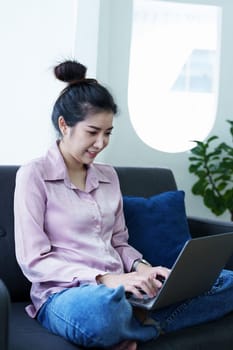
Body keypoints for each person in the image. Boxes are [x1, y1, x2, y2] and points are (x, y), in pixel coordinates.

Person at [14, 59, 233, 350]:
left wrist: (143, 269)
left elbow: (119, 242)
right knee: (104, 310)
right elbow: (34, 260)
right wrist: (107, 279)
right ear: (64, 126)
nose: (101, 143)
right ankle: (137, 320)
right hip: (68, 295)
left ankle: (138, 325)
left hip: (124, 287)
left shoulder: (108, 176)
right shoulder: (34, 174)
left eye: (108, 133)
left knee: (226, 282)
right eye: (92, 132)